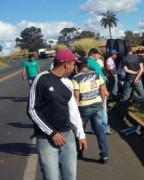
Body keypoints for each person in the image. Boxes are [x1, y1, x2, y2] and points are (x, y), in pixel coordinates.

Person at [27, 49, 88, 180]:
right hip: (46, 138)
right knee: (51, 177)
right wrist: (52, 133)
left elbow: (73, 110)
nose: (74, 68)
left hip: (67, 135)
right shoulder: (41, 79)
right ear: (66, 64)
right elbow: (32, 109)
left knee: (70, 176)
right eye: (73, 64)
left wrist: (80, 134)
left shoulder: (68, 83)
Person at [72, 58, 109, 164]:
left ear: (77, 66)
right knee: (99, 130)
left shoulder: (76, 78)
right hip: (97, 105)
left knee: (79, 129)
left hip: (84, 107)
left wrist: (75, 110)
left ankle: (79, 151)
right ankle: (104, 155)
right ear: (87, 65)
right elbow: (103, 91)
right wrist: (101, 103)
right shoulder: (97, 74)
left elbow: (76, 96)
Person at [87, 48, 112, 134]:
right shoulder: (95, 63)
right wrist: (104, 90)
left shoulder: (85, 62)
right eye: (98, 55)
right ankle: (104, 128)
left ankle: (94, 129)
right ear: (93, 54)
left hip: (90, 89)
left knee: (93, 109)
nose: (99, 56)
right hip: (99, 88)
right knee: (103, 109)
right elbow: (100, 77)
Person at [120, 47, 144, 118]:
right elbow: (141, 69)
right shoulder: (138, 57)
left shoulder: (124, 59)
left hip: (129, 79)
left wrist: (134, 73)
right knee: (142, 95)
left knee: (125, 97)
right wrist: (137, 78)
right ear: (131, 51)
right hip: (138, 80)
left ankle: (122, 114)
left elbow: (126, 70)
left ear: (126, 52)